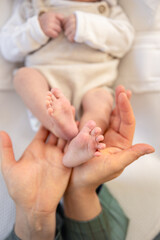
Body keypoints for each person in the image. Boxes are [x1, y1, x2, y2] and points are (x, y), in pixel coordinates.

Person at [0, 87, 154, 240]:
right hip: (71, 79)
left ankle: (65, 130)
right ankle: (74, 135)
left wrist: (35, 216)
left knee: (99, 101)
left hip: (56, 82)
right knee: (100, 102)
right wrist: (81, 189)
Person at [0, 0, 134, 167]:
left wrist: (87, 25)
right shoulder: (32, 6)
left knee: (100, 103)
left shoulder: (107, 8)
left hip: (93, 81)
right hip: (47, 78)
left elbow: (124, 39)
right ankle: (56, 125)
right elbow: (7, 46)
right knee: (24, 77)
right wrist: (37, 29)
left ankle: (82, 143)